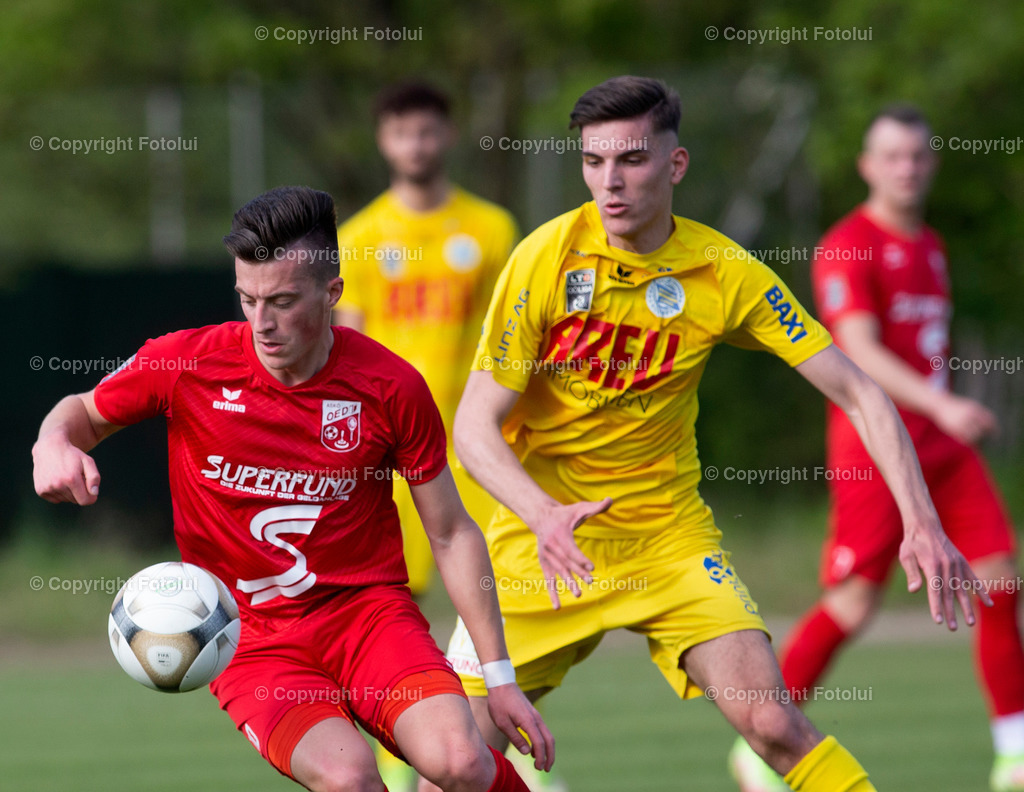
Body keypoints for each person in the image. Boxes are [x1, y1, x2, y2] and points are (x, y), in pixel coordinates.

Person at [435, 77, 988, 792]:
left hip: (668, 542)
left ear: (676, 164)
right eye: (594, 162)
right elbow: (473, 426)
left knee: (775, 724)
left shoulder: (721, 270)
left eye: (631, 159)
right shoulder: (545, 258)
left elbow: (859, 389)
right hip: (543, 549)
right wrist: (542, 515)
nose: (610, 181)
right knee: (453, 767)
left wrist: (921, 522)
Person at [32, 186, 554, 792]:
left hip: (368, 618)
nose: (261, 322)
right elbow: (81, 411)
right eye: (248, 299)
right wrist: (53, 445)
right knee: (348, 778)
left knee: (460, 761)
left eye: (281, 301)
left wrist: (499, 677)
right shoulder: (185, 363)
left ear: (332, 292)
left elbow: (451, 530)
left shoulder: (389, 386)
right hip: (249, 636)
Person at [729, 105, 1024, 792]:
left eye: (918, 156)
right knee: (854, 603)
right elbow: (856, 352)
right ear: (867, 166)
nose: (907, 168)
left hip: (944, 451)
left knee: (1003, 578)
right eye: (892, 156)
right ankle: (762, 739)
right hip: (875, 452)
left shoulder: (931, 246)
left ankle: (1014, 752)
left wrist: (941, 415)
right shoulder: (847, 245)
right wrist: (942, 401)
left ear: (932, 164)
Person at [333, 83, 561, 792]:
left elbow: (522, 338)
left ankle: (508, 753)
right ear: (384, 140)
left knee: (492, 614)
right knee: (391, 620)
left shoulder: (492, 229)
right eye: (403, 132)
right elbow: (347, 351)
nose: (417, 145)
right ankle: (412, 767)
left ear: (448, 135)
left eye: (428, 131)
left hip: (476, 452)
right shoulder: (363, 238)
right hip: (388, 460)